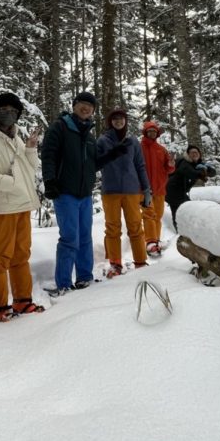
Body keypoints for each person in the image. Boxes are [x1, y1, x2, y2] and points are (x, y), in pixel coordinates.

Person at [0, 92, 46, 323]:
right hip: (2, 207)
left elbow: (30, 167)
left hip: (21, 205)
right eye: (4, 109)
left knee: (21, 255)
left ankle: (23, 300)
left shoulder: (15, 137)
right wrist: (13, 184)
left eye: (14, 111)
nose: (9, 114)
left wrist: (30, 148)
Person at [40, 91, 100, 294]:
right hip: (65, 192)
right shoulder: (60, 127)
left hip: (85, 194)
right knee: (69, 238)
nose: (86, 108)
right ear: (74, 105)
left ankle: (84, 276)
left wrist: (115, 153)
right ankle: (64, 282)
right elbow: (48, 155)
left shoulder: (89, 135)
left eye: (90, 106)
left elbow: (94, 163)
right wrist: (49, 181)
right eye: (82, 103)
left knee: (85, 236)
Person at [96, 107, 152, 276]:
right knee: (112, 228)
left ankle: (141, 262)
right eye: (115, 119)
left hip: (131, 190)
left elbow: (140, 166)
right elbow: (96, 163)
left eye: (121, 118)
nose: (118, 121)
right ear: (110, 122)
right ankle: (115, 264)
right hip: (110, 191)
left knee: (135, 227)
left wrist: (146, 189)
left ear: (126, 121)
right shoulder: (102, 141)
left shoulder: (133, 141)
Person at [140, 120, 176, 256]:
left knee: (158, 216)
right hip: (144, 189)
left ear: (157, 134)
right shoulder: (138, 148)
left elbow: (169, 169)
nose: (152, 133)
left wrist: (172, 164)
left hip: (160, 189)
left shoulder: (162, 150)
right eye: (149, 131)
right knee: (149, 214)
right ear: (145, 132)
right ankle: (150, 242)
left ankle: (156, 241)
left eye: (154, 132)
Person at [165, 145, 214, 232]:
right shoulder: (184, 163)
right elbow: (190, 172)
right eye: (192, 152)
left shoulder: (196, 163)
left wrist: (208, 169)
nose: (195, 154)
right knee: (180, 211)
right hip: (172, 190)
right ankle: (180, 233)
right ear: (188, 154)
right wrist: (202, 172)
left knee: (184, 210)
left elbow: (213, 173)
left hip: (181, 191)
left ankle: (183, 231)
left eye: (196, 152)